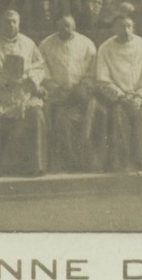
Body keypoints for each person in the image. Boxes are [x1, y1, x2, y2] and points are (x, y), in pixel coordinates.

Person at [0, 9, 50, 176]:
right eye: (6, 22)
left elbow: (39, 67)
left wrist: (30, 79)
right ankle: (3, 168)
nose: (10, 25)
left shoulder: (29, 43)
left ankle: (35, 166)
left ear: (19, 23)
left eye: (13, 22)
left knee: (36, 115)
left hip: (24, 93)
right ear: (0, 24)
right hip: (1, 94)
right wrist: (4, 77)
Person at [94, 16, 142, 172]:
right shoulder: (105, 48)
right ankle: (123, 161)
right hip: (117, 99)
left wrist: (140, 97)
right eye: (121, 27)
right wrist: (121, 96)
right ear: (114, 29)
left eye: (129, 26)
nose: (125, 31)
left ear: (134, 28)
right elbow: (102, 79)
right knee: (119, 115)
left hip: (140, 97)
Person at [39, 16, 102, 172]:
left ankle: (83, 160)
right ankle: (63, 161)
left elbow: (92, 71)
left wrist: (81, 87)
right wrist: (55, 87)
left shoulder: (87, 44)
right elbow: (42, 70)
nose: (64, 30)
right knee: (60, 116)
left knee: (76, 116)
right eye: (61, 27)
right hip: (56, 93)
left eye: (67, 26)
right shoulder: (46, 45)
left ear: (74, 27)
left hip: (81, 92)